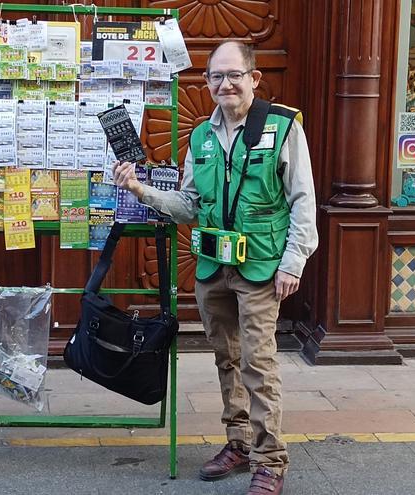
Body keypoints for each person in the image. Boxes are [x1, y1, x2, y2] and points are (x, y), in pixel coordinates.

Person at [113, 40, 318, 495]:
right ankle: (239, 442)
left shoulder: (283, 127)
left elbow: (303, 200)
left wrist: (294, 262)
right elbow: (189, 205)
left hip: (263, 265)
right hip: (211, 265)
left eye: (234, 75)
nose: (225, 84)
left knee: (258, 361)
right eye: (215, 77)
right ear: (206, 83)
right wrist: (142, 191)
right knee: (227, 358)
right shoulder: (200, 137)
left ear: (254, 78)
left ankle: (270, 459)